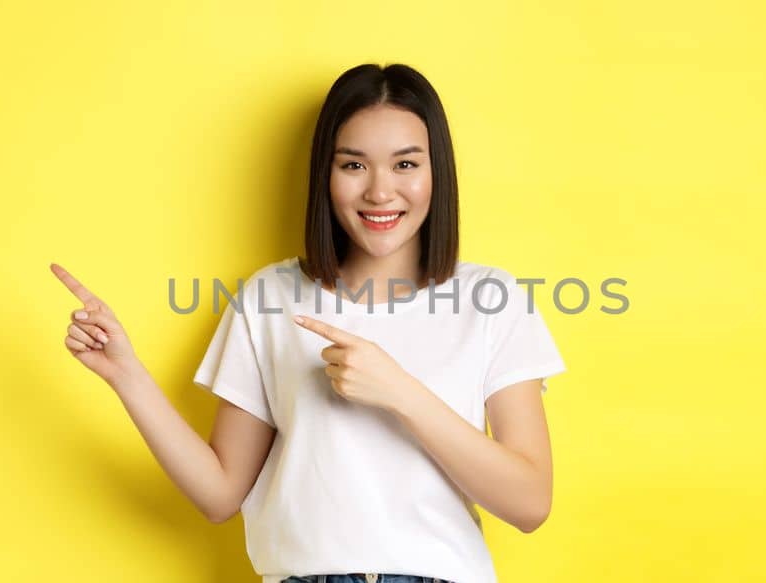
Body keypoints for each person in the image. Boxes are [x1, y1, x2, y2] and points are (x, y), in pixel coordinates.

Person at [50, 63, 566, 583]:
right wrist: (126, 375)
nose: (381, 192)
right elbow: (219, 493)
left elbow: (529, 503)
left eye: (406, 165)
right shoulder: (269, 297)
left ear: (438, 174)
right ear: (326, 173)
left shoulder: (491, 299)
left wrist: (400, 392)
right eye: (354, 166)